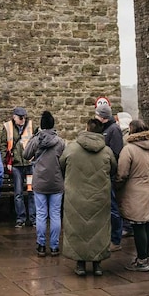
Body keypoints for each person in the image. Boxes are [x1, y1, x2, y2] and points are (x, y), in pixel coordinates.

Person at [61, 118, 117, 276]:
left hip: (75, 197)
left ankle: (80, 264)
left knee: (78, 230)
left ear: (86, 129)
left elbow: (62, 165)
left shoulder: (71, 149)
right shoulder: (107, 151)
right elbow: (113, 169)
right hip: (100, 197)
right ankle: (97, 264)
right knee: (98, 230)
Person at [116, 119, 149, 272]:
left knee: (139, 225)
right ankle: (146, 258)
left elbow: (122, 173)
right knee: (148, 225)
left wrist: (117, 186)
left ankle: (142, 261)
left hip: (136, 191)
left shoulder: (129, 149)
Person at [24, 111, 65, 257]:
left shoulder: (36, 140)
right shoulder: (60, 142)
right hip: (56, 182)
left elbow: (26, 155)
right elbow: (64, 161)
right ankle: (54, 246)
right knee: (55, 215)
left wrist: (33, 138)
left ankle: (41, 245)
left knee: (41, 215)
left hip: (40, 182)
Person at [0, 107, 36, 228]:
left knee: (31, 191)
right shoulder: (7, 127)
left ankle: (33, 218)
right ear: (14, 117)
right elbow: (3, 145)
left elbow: (35, 142)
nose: (22, 120)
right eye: (20, 117)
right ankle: (21, 218)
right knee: (18, 193)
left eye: (24, 117)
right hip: (16, 165)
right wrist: (5, 161)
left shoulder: (30, 125)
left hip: (29, 164)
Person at [95, 104, 123, 251]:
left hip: (109, 175)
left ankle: (116, 239)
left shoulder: (114, 130)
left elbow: (116, 154)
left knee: (112, 207)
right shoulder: (106, 129)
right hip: (102, 173)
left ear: (103, 117)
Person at [116, 111, 135, 237]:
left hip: (128, 174)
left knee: (124, 200)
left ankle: (127, 226)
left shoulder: (124, 138)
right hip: (133, 174)